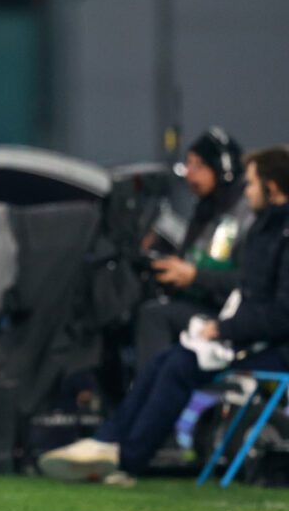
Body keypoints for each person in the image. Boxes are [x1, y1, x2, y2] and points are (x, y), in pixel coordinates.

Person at [39, 146, 289, 486]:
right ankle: (109, 442)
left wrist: (225, 328)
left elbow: (281, 315)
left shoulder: (279, 234)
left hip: (273, 347)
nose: (248, 191)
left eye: (253, 184)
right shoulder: (264, 228)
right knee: (166, 360)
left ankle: (128, 458)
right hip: (246, 334)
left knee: (178, 366)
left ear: (273, 189)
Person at [134, 128, 253, 372]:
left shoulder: (244, 214)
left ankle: (151, 399)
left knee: (154, 316)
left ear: (222, 168)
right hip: (200, 300)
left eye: (198, 165)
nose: (189, 174)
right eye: (187, 164)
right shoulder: (206, 211)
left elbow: (246, 281)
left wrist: (195, 277)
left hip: (227, 312)